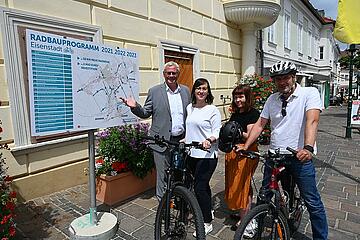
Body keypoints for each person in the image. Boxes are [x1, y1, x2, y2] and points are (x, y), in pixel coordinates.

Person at [239, 61, 328, 239]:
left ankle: (320, 237)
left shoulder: (309, 93)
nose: (282, 82)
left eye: (286, 77)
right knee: (264, 196)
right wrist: (246, 145)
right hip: (275, 156)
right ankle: (258, 231)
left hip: (299, 156)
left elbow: (312, 120)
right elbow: (260, 124)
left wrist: (308, 148)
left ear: (294, 77)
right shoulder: (272, 99)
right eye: (278, 79)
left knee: (312, 201)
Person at [120, 61, 191, 201]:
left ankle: (178, 199)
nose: (171, 75)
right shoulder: (155, 91)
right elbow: (146, 112)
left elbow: (190, 113)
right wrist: (134, 107)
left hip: (180, 141)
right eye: (168, 73)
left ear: (178, 74)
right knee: (162, 175)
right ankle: (163, 205)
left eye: (174, 73)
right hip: (161, 140)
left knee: (179, 172)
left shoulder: (186, 91)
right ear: (164, 74)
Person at [185, 78, 221, 236]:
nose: (201, 91)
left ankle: (206, 222)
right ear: (194, 91)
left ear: (208, 91)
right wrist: (184, 139)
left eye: (204, 88)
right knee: (202, 185)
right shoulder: (189, 108)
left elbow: (217, 131)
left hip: (207, 154)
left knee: (199, 187)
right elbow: (190, 128)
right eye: (198, 88)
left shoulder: (212, 109)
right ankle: (209, 209)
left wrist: (209, 140)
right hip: (192, 153)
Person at [223, 85, 260, 231]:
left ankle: (246, 222)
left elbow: (251, 136)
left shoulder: (253, 113)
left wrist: (236, 131)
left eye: (241, 96)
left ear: (247, 97)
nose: (238, 100)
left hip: (247, 153)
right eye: (236, 97)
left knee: (243, 186)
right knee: (238, 185)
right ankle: (243, 212)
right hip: (235, 152)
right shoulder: (237, 113)